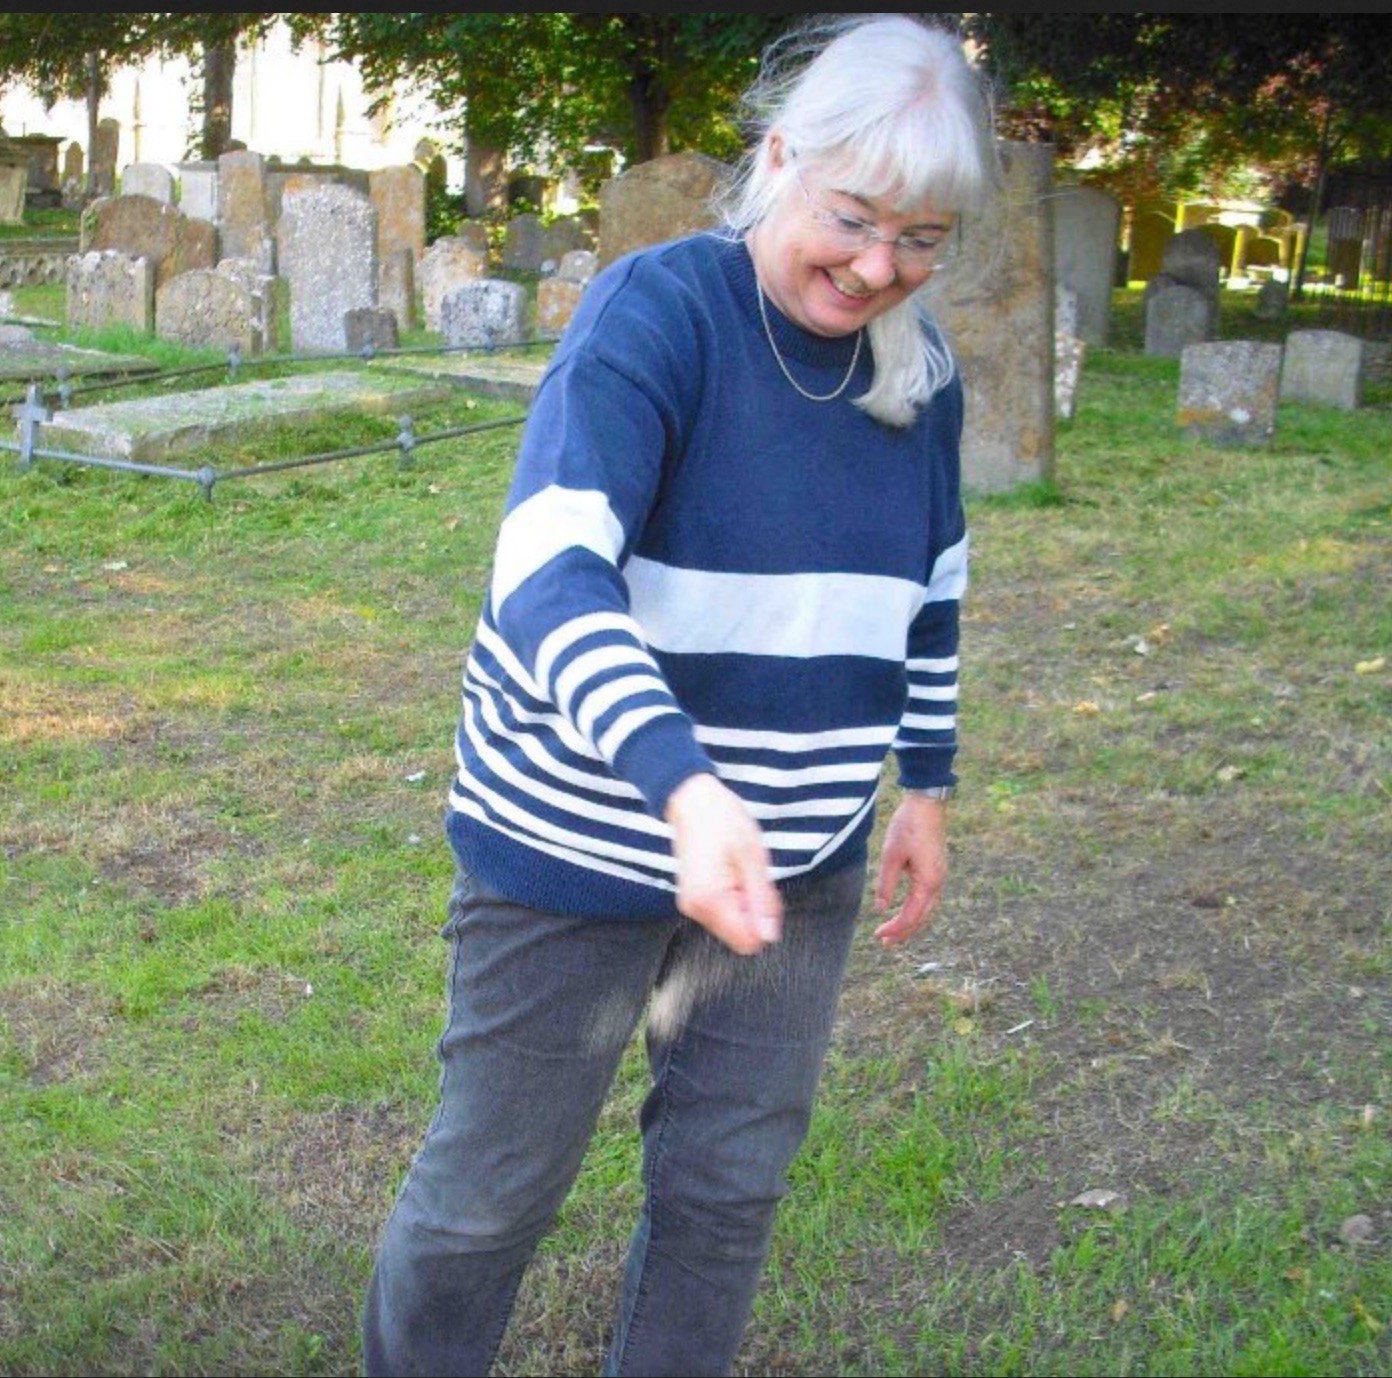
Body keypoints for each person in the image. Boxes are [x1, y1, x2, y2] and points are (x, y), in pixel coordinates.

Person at [362, 14, 1000, 1376]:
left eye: (921, 239)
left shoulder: (922, 370)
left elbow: (932, 586)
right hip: (579, 842)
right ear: (778, 161)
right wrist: (684, 786)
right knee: (488, 1202)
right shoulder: (656, 315)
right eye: (852, 220)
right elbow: (546, 575)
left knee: (726, 1190)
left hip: (794, 865)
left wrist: (927, 785)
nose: (877, 268)